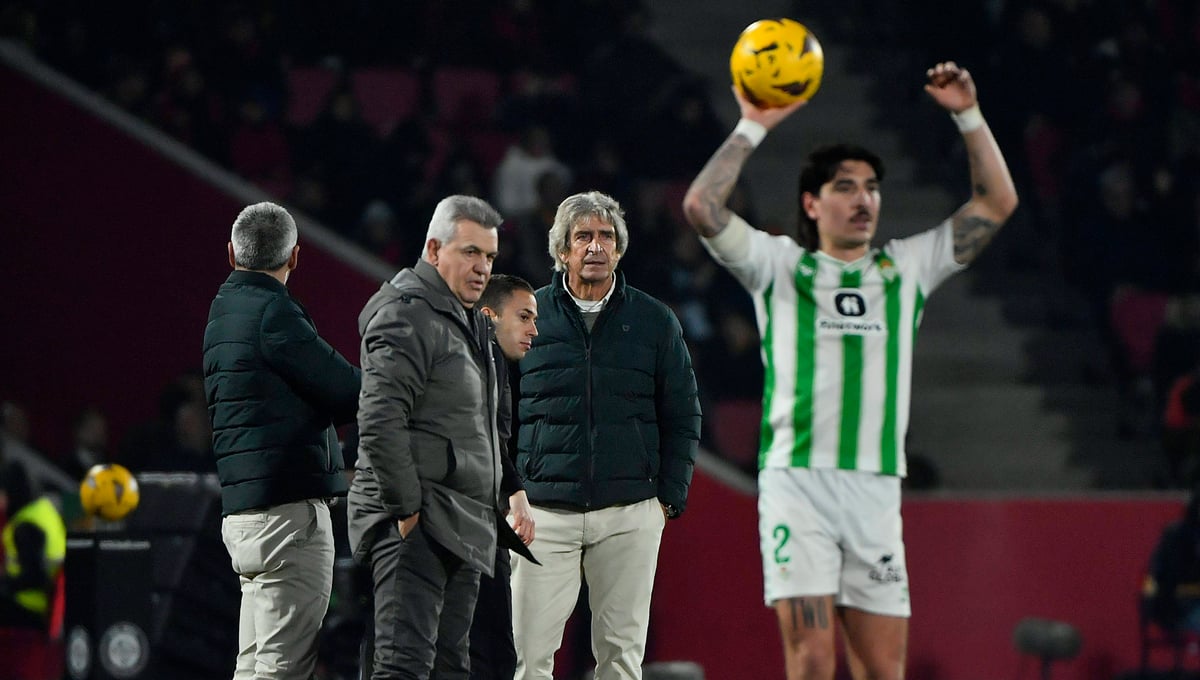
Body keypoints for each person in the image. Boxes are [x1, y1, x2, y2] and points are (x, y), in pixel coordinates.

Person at [682, 62, 1018, 680]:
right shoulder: (779, 266)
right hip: (797, 484)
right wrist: (753, 125)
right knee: (812, 661)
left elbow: (997, 203)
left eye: (871, 188)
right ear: (812, 203)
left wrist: (969, 115)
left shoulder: (905, 270)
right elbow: (702, 206)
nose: (864, 199)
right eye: (845, 187)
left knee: (881, 670)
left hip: (874, 487)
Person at [511, 190, 702, 680]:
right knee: (529, 659)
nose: (595, 246)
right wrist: (509, 492)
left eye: (605, 236)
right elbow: (498, 413)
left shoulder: (654, 320)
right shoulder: (527, 315)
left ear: (618, 249)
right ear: (562, 250)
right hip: (543, 514)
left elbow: (683, 414)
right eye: (583, 237)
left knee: (621, 659)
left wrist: (667, 500)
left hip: (629, 512)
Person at [349, 195, 531, 680]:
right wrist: (406, 508)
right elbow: (380, 417)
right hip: (419, 523)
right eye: (470, 252)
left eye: (489, 256)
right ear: (433, 249)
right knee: (403, 666)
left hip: (464, 524)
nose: (482, 267)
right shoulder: (405, 314)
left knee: (449, 669)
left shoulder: (469, 320)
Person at [202, 201, 361, 680]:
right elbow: (348, 391)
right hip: (286, 518)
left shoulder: (222, 310)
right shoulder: (274, 312)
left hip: (246, 515)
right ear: (294, 256)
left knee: (253, 666)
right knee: (282, 669)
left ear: (231, 254)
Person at [470, 273, 540, 680]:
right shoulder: (482, 360)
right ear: (488, 316)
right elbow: (486, 437)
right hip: (472, 524)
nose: (534, 330)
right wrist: (516, 492)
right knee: (490, 654)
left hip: (480, 522)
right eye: (524, 317)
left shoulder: (495, 363)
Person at [0, 459, 65, 631]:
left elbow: (35, 576)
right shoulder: (43, 510)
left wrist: (5, 584)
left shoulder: (26, 526)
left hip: (29, 606)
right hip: (48, 605)